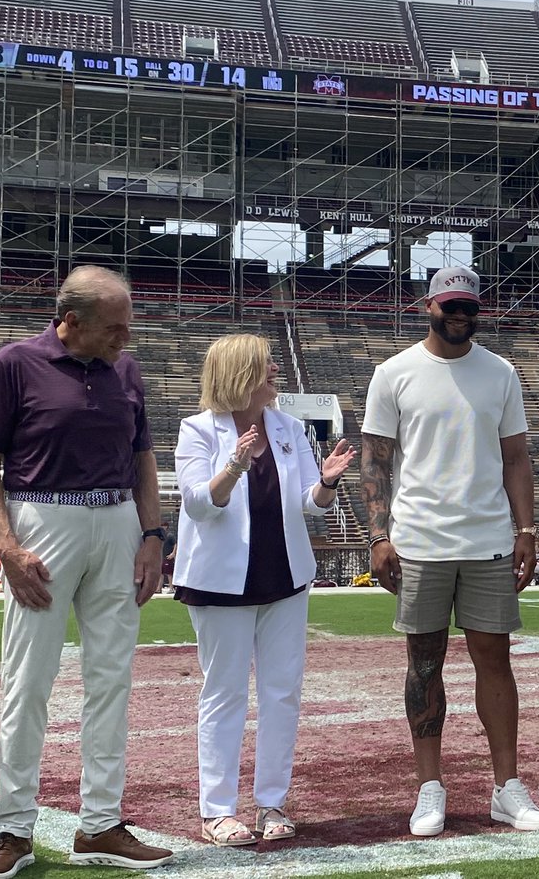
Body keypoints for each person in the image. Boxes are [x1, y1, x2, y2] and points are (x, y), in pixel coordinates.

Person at [360, 265, 539, 838]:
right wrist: (378, 534)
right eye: (451, 305)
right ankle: (429, 786)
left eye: (469, 305)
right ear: (428, 306)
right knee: (424, 665)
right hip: (418, 540)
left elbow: (516, 458)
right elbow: (375, 461)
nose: (460, 314)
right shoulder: (394, 373)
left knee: (496, 661)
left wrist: (526, 530)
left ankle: (505, 787)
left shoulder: (501, 373)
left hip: (490, 538)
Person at [0, 266, 174, 875]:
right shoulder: (15, 363)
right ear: (71, 321)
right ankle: (11, 830)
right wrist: (7, 548)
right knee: (28, 682)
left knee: (111, 680)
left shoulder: (124, 369)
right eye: (115, 329)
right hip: (42, 521)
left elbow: (143, 456)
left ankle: (100, 825)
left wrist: (152, 537)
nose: (125, 340)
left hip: (118, 521)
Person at [173, 334, 355, 846]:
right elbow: (199, 505)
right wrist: (235, 462)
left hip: (285, 576)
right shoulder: (196, 430)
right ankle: (217, 810)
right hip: (220, 581)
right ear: (240, 373)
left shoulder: (289, 427)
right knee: (224, 692)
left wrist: (327, 482)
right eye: (266, 364)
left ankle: (272, 803)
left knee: (282, 692)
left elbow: (306, 504)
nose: (276, 369)